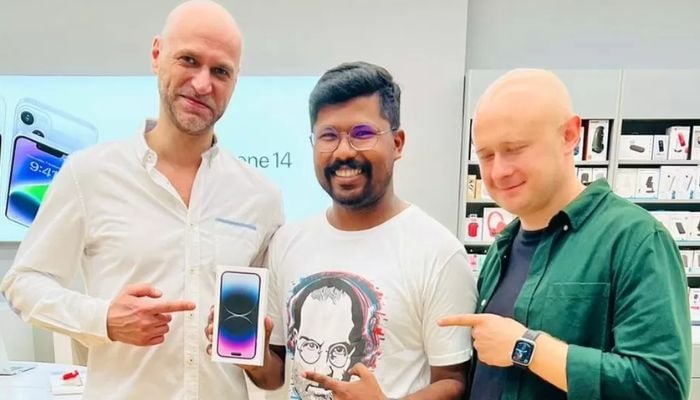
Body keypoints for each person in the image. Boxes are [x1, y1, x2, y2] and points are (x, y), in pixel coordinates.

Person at [0, 1, 283, 399]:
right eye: (188, 60)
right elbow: (23, 282)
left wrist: (254, 352)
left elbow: (267, 363)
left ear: (235, 81)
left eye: (220, 71)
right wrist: (104, 319)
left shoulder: (260, 198)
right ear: (156, 55)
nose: (203, 84)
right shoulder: (89, 174)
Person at [206, 61, 477, 399]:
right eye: (329, 136)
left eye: (362, 134)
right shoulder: (288, 242)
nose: (344, 151)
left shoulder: (438, 252)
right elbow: (276, 375)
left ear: (398, 143)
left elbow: (454, 382)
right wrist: (251, 355)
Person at [439, 69, 691, 399]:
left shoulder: (636, 239)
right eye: (486, 155)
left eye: (514, 148)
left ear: (570, 135)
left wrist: (526, 348)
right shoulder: (503, 248)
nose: (499, 170)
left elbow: (660, 387)